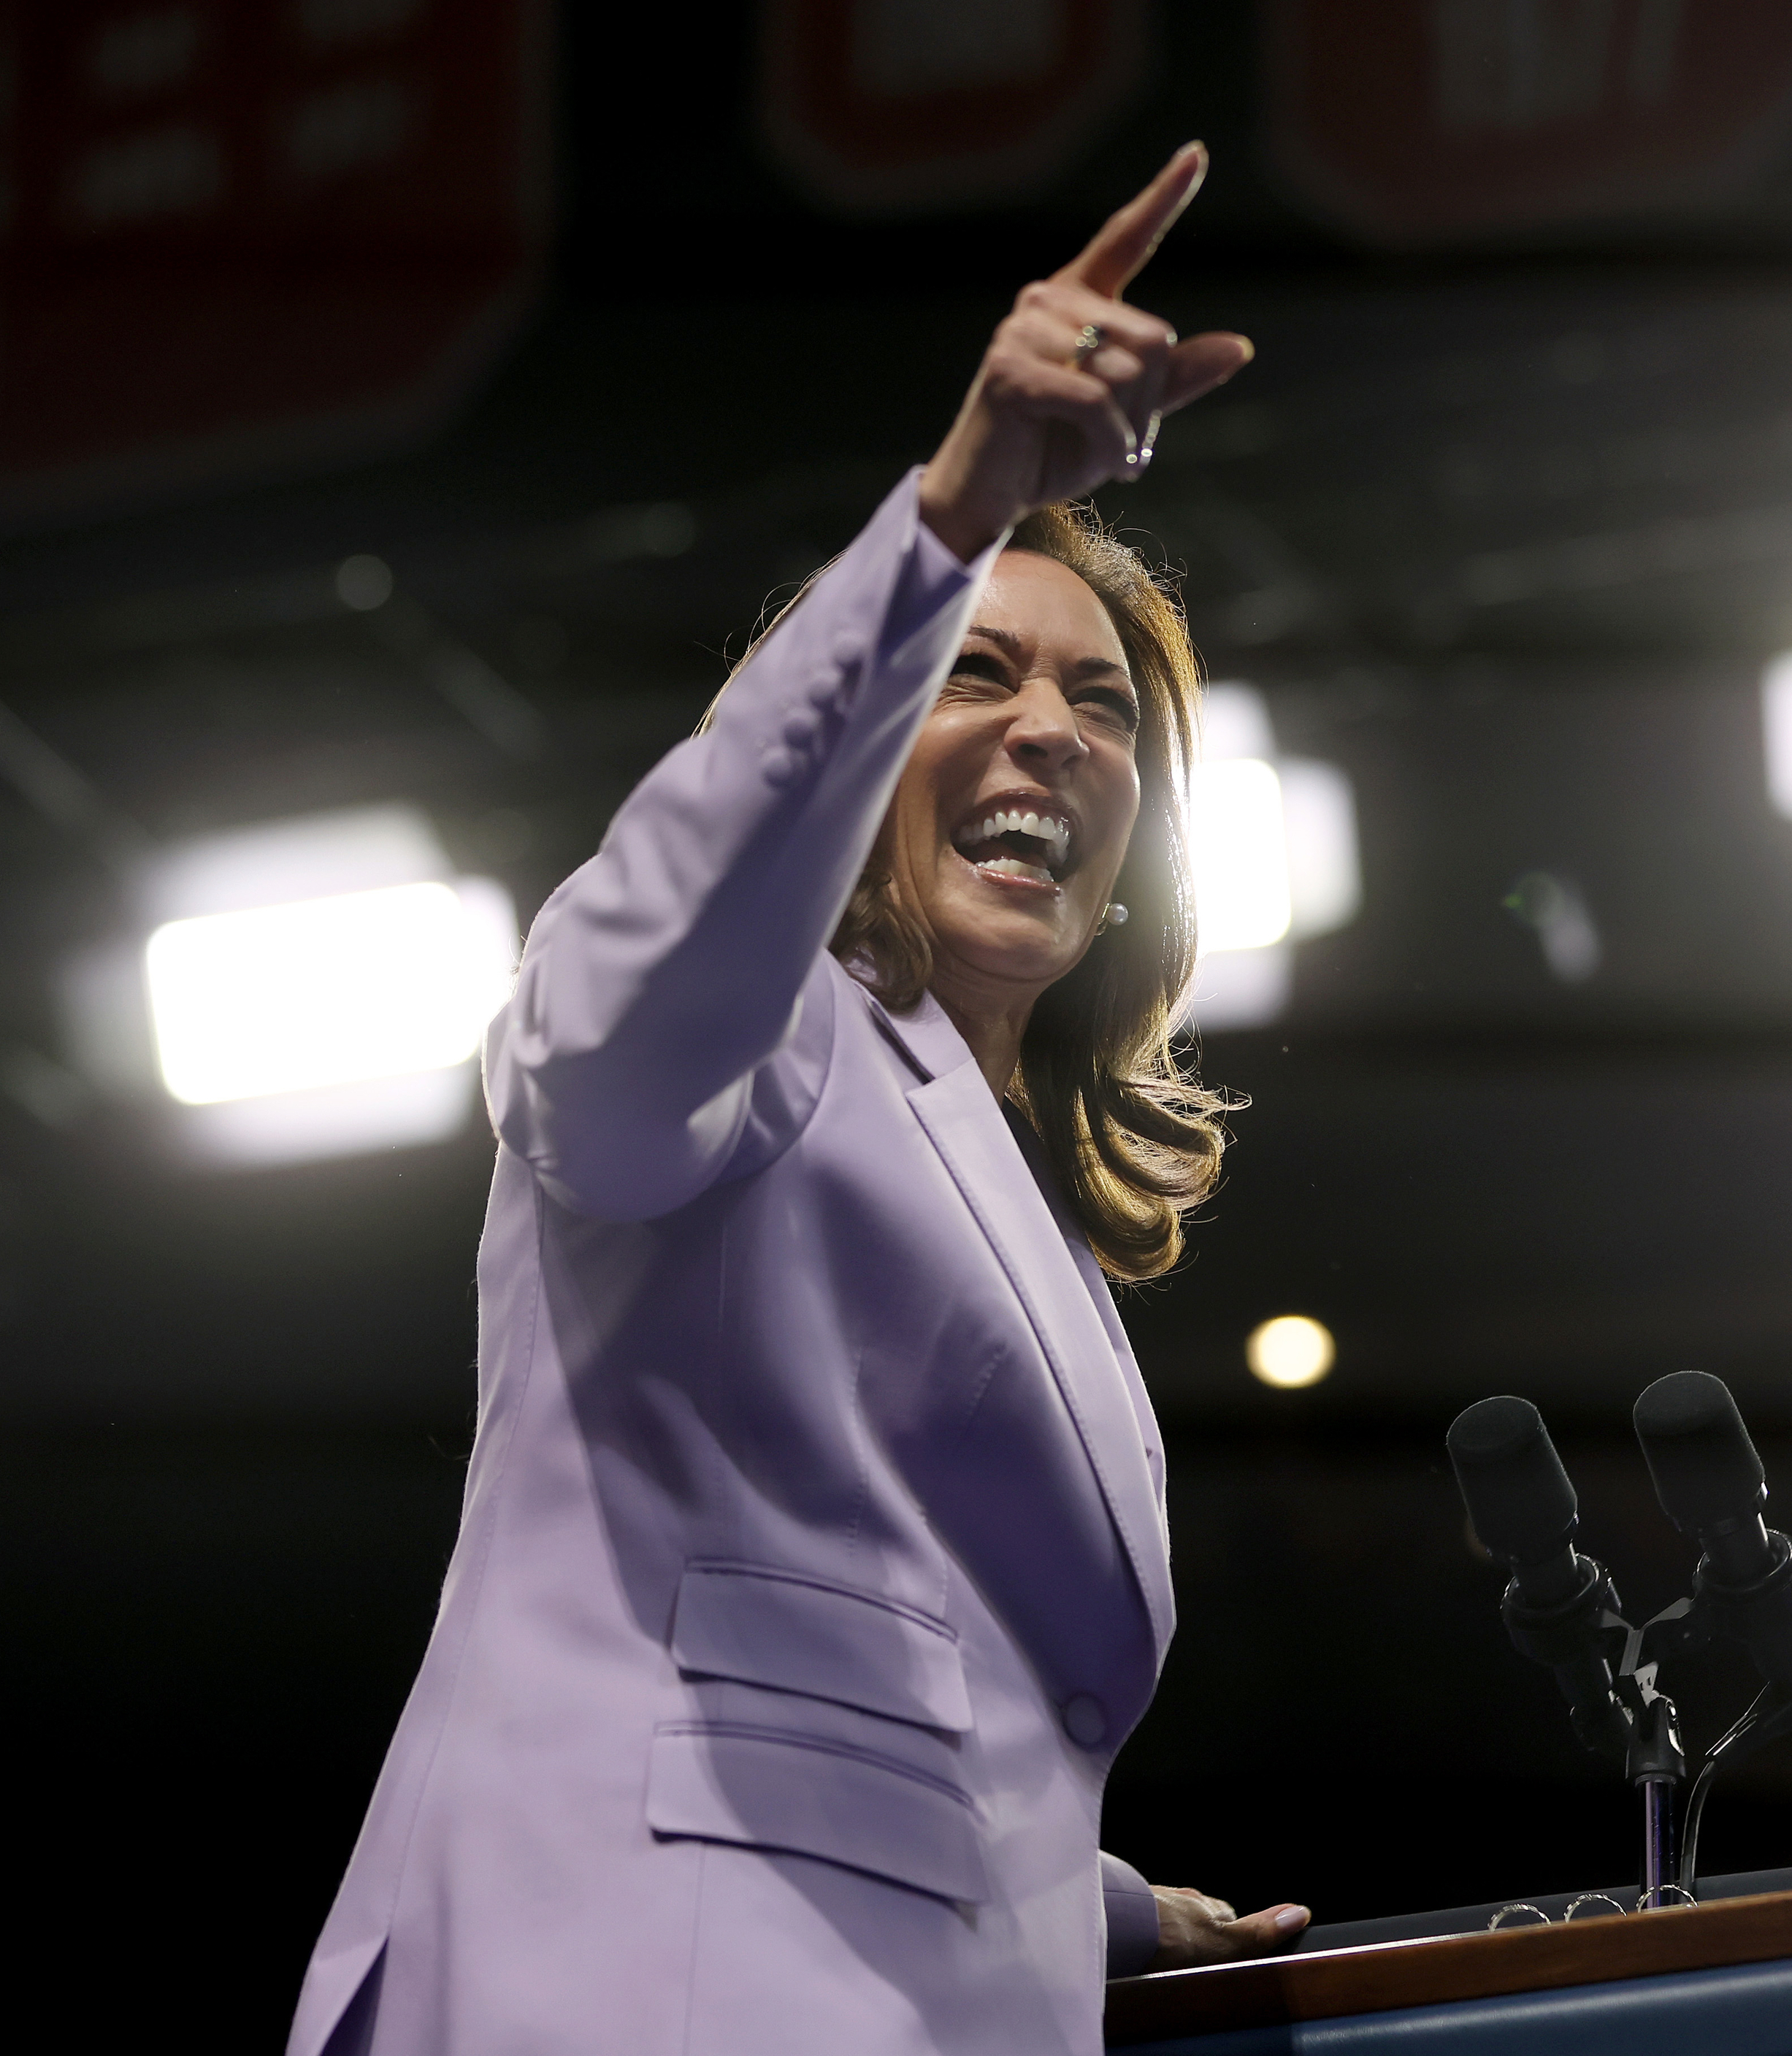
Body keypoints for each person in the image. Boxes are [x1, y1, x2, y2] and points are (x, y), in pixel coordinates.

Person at [288, 145, 1301, 2056]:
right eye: (978, 670)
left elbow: (871, 1696)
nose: (1049, 731)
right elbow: (603, 1020)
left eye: (1106, 708)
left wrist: (1091, 1907)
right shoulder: (756, 1040)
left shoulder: (1017, 1191)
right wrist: (958, 511)